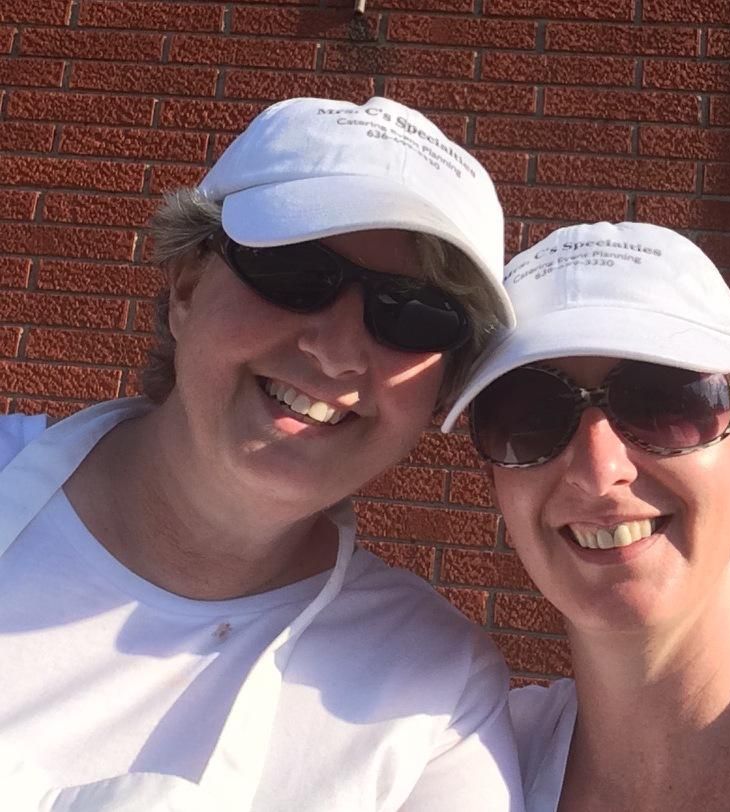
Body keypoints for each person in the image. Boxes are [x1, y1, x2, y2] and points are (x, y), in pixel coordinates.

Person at [0, 96, 524, 811]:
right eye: (297, 272)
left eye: (414, 315)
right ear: (187, 286)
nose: (336, 352)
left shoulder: (436, 700)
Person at [442, 221, 730, 810]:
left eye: (664, 401)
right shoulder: (447, 767)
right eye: (530, 416)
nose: (599, 470)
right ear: (494, 481)